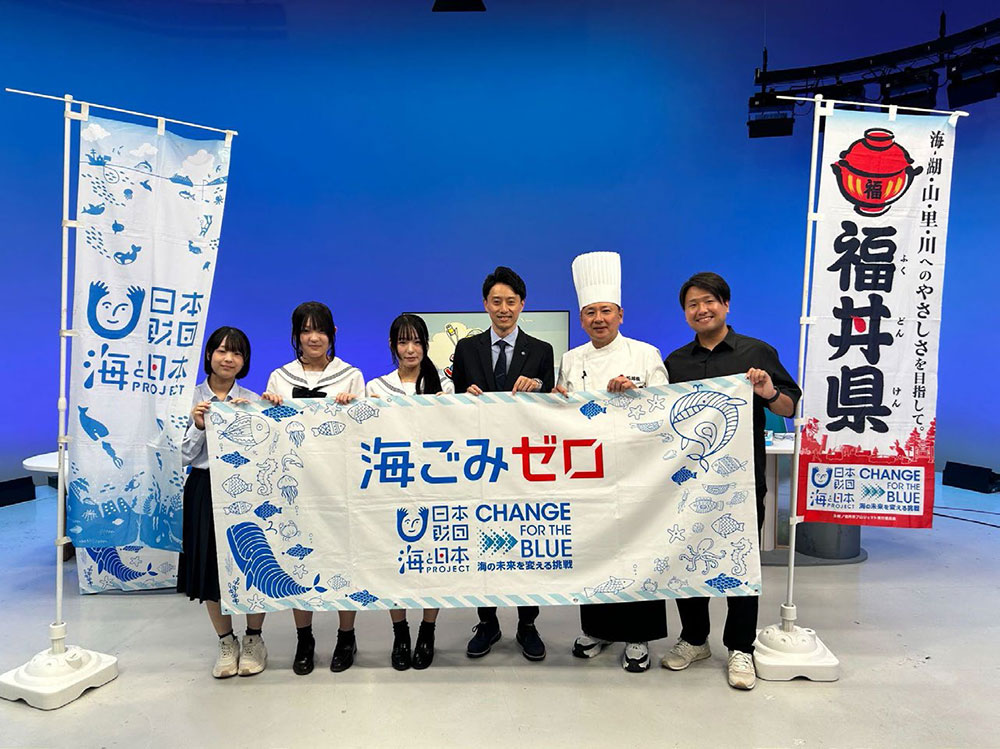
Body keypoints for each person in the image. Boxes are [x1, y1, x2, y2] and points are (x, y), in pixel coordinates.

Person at [662, 272, 800, 690]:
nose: (701, 310)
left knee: (741, 559)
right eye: (692, 305)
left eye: (709, 301)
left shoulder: (756, 352)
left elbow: (789, 407)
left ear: (725, 304)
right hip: (688, 483)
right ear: (685, 313)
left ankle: (740, 646)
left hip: (740, 480)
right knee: (687, 555)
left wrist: (767, 392)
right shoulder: (675, 362)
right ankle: (694, 638)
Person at [553, 251, 670, 673]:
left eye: (605, 311)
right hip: (590, 471)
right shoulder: (571, 359)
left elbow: (665, 409)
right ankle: (598, 628)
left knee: (637, 547)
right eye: (590, 312)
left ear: (620, 314)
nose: (598, 319)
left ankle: (638, 636)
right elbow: (564, 414)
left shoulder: (645, 354)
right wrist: (555, 401)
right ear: (582, 319)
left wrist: (636, 395)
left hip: (639, 471)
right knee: (595, 547)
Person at [451, 266, 555, 661]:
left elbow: (553, 406)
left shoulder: (541, 350)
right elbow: (451, 407)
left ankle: (528, 623)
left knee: (527, 542)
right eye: (496, 301)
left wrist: (539, 387)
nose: (504, 308)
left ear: (522, 304)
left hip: (526, 465)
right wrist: (465, 395)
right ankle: (488, 621)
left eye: (511, 301)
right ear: (485, 305)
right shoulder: (467, 349)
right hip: (481, 464)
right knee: (482, 542)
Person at [262, 301, 365, 676]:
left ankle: (346, 636)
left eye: (320, 329)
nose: (313, 337)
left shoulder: (351, 377)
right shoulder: (279, 378)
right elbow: (266, 435)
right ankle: (304, 638)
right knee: (296, 559)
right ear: (296, 336)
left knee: (343, 558)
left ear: (332, 333)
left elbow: (366, 432)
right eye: (305, 331)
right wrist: (266, 407)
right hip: (295, 486)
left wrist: (355, 408)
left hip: (338, 485)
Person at [180, 326, 276, 678]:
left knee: (252, 562)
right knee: (209, 568)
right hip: (204, 487)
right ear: (209, 355)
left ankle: (253, 639)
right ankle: (225, 641)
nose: (228, 358)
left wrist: (264, 413)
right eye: (221, 350)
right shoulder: (188, 399)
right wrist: (198, 425)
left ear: (244, 361)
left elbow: (266, 452)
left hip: (246, 490)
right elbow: (181, 456)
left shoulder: (250, 400)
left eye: (236, 353)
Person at [366, 313, 454, 670]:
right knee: (395, 560)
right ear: (392, 345)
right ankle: (400, 632)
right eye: (403, 342)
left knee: (433, 558)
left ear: (426, 345)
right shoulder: (376, 387)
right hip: (391, 486)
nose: (411, 349)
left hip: (433, 485)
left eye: (417, 342)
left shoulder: (444, 386)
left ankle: (427, 630)